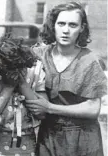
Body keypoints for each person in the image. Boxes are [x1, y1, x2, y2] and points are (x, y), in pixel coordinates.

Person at [22, 2, 107, 156]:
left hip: (83, 139)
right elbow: (9, 64)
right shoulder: (39, 54)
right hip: (48, 136)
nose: (66, 30)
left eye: (73, 25)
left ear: (81, 28)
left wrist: (49, 107)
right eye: (61, 23)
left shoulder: (90, 60)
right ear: (53, 25)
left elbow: (93, 108)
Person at [0, 38, 46, 156]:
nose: (12, 73)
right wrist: (8, 88)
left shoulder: (34, 73)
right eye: (6, 70)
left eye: (17, 67)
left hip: (23, 144)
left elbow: (42, 113)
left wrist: (22, 85)